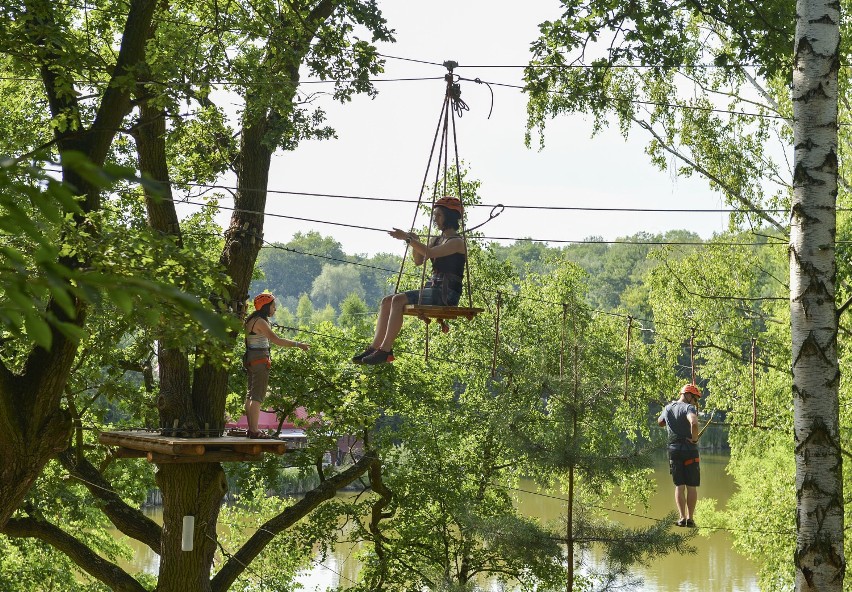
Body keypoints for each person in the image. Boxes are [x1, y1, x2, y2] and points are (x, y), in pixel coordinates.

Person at [352, 196, 467, 365]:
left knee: (398, 300)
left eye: (439, 216)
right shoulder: (436, 239)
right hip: (434, 289)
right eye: (434, 216)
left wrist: (409, 239)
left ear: (449, 217)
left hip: (447, 294)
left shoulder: (457, 242)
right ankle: (375, 347)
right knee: (386, 301)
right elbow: (419, 260)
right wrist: (415, 242)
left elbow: (431, 253)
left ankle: (385, 350)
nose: (435, 219)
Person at [244, 293, 309, 438]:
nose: (275, 309)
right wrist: (298, 344)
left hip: (251, 359)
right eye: (273, 306)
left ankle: (251, 429)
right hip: (260, 360)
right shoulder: (260, 322)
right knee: (257, 396)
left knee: (250, 395)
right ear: (266, 307)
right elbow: (277, 340)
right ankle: (254, 431)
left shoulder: (251, 320)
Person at [657, 383, 702, 527]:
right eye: (695, 399)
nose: (695, 402)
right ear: (688, 395)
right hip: (689, 451)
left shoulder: (668, 407)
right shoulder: (689, 408)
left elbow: (660, 422)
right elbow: (694, 423)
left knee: (679, 486)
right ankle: (690, 518)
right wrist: (694, 439)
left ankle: (682, 517)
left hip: (674, 450)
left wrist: (671, 420)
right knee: (691, 486)